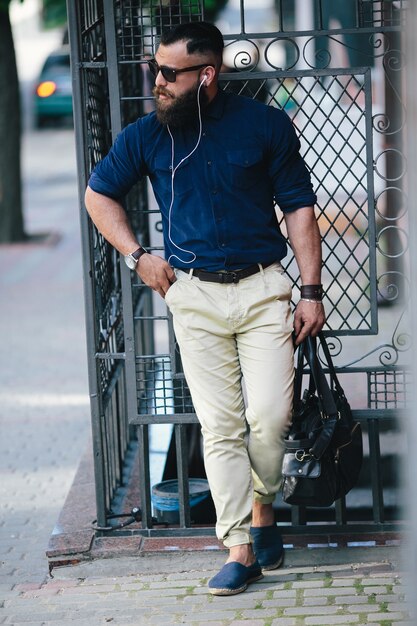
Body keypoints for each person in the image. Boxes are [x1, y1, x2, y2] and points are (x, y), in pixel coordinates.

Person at [85, 21, 326, 596]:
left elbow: (298, 209)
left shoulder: (264, 126)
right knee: (220, 425)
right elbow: (99, 194)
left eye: (169, 73)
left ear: (208, 75)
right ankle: (239, 546)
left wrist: (311, 291)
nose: (158, 82)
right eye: (155, 70)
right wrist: (137, 255)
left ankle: (263, 505)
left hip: (264, 289)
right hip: (192, 295)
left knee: (268, 420)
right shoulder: (147, 134)